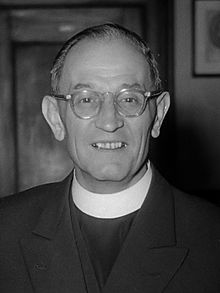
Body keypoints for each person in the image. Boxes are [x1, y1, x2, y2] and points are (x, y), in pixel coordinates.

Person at [0, 23, 220, 293]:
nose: (109, 121)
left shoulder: (212, 237)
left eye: (129, 99)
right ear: (56, 118)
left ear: (158, 114)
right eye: (85, 99)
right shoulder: (5, 230)